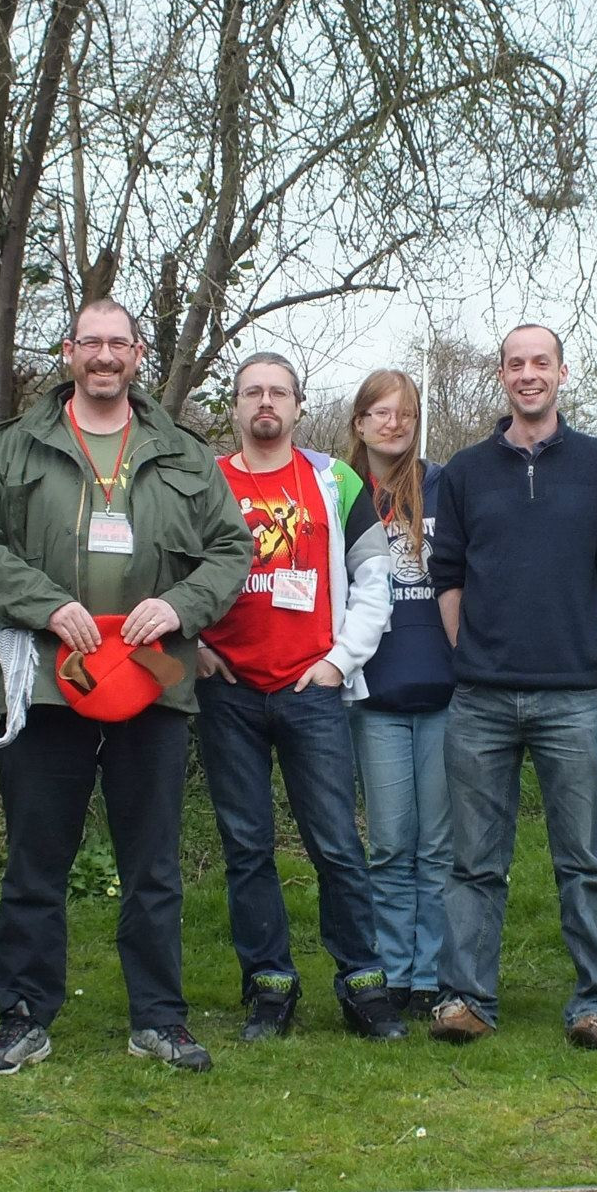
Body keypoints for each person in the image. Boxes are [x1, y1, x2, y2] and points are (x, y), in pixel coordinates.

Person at [0, 298, 253, 1074]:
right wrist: (46, 605)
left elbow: (231, 551)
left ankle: (159, 1018)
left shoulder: (183, 454)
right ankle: (22, 1016)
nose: (106, 356)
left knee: (152, 862)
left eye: (120, 343)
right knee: (35, 858)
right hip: (46, 681)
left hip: (153, 680)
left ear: (139, 354)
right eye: (92, 343)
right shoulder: (12, 449)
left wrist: (179, 606)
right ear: (69, 352)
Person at [427, 324, 597, 1050]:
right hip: (480, 698)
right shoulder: (466, 470)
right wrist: (469, 647)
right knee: (474, 863)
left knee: (581, 861)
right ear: (502, 376)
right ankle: (466, 999)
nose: (528, 374)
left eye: (540, 362)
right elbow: (447, 571)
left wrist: (592, 643)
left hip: (569, 696)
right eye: (515, 363)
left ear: (561, 373)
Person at [195, 353, 407, 1042]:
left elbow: (374, 580)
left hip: (310, 689)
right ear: (235, 406)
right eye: (253, 392)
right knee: (247, 846)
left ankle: (363, 984)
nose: (266, 402)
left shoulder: (335, 479)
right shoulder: (205, 482)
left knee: (337, 843)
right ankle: (270, 987)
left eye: (278, 393)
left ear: (297, 405)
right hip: (228, 690)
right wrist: (191, 647)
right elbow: (168, 573)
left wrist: (340, 662)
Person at [345, 370, 456, 1018]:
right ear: (360, 422)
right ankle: (391, 968)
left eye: (406, 413)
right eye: (381, 413)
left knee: (438, 846)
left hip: (444, 691)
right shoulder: (342, 491)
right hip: (375, 695)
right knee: (389, 843)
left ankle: (431, 975)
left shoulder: (444, 485)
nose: (395, 424)